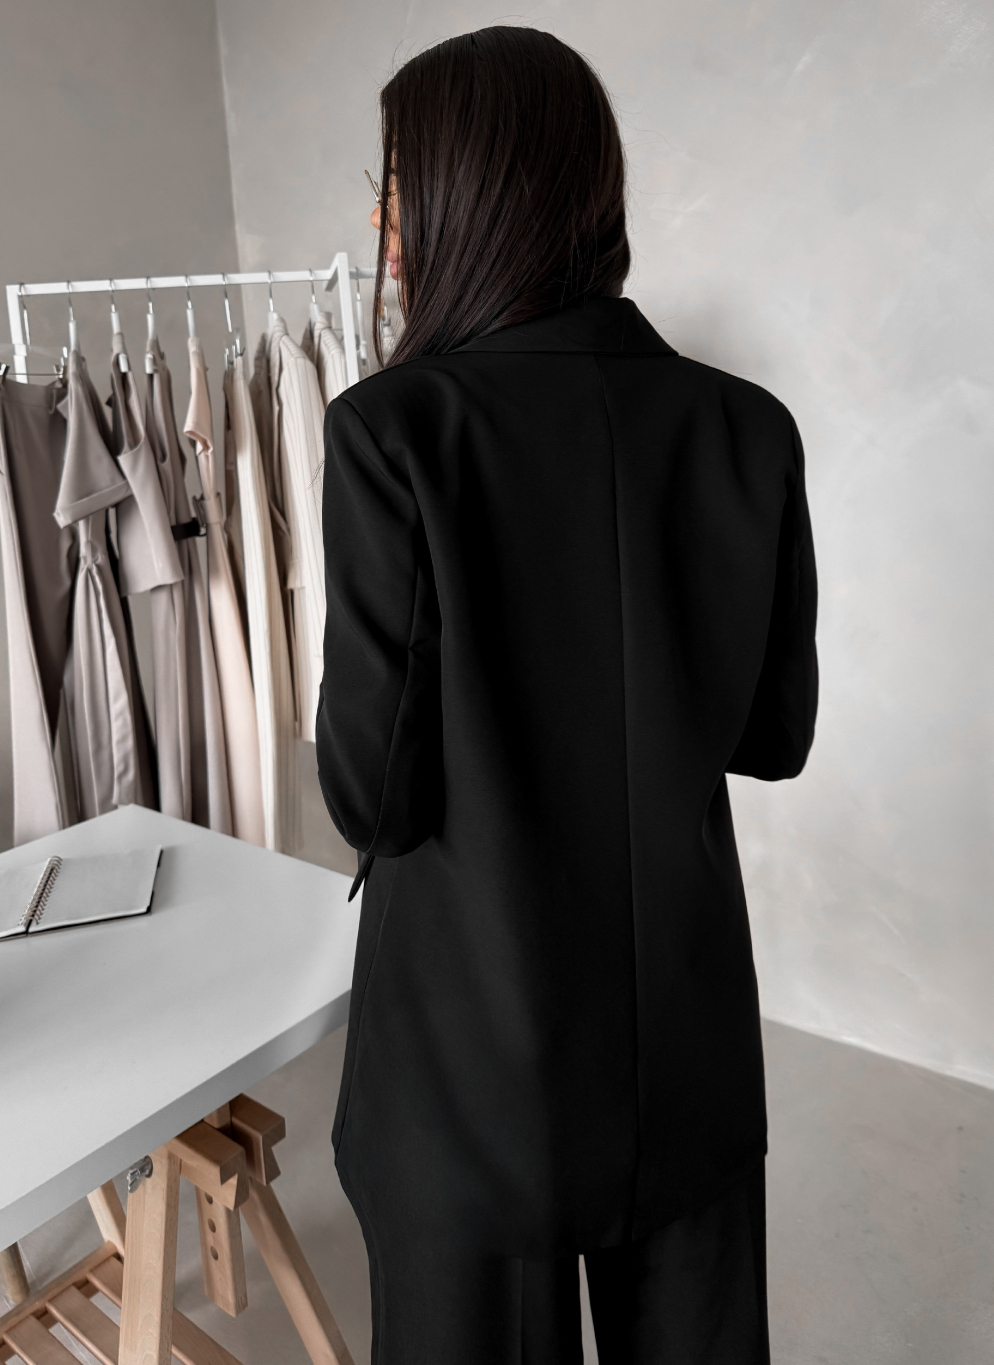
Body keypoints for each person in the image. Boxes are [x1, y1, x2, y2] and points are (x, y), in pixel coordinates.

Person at [316, 25, 817, 1365]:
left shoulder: (393, 429)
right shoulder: (747, 426)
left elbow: (374, 796)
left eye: (393, 184)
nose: (384, 223)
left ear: (467, 193)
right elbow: (774, 737)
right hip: (687, 1044)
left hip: (470, 1061)